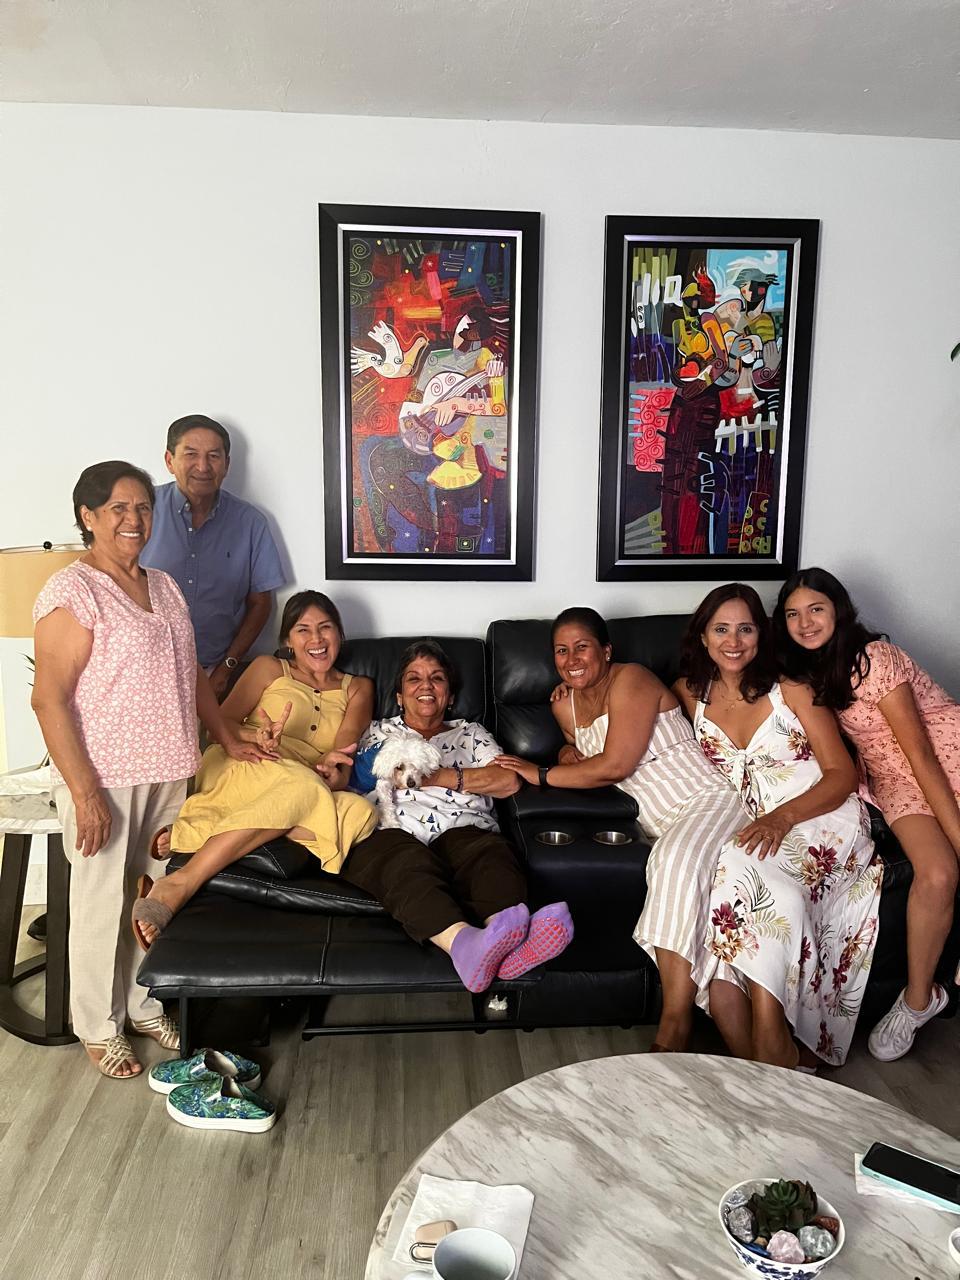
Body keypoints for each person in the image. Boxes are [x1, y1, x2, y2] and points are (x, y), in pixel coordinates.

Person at [31, 461, 267, 1079]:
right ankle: (96, 1025)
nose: (134, 520)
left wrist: (226, 738)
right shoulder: (71, 592)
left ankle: (140, 1005)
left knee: (149, 899)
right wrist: (84, 793)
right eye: (119, 509)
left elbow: (191, 676)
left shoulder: (164, 587)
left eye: (142, 508)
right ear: (88, 516)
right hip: (104, 776)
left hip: (169, 770)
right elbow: (48, 697)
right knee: (101, 900)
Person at [494, 607, 746, 1054]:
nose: (572, 658)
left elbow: (613, 765)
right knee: (687, 886)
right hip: (659, 820)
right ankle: (747, 1045)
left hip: (708, 801)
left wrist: (543, 772)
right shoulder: (562, 703)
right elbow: (584, 756)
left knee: (672, 864)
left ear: (606, 651)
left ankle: (674, 1025)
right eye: (561, 650)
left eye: (583, 647)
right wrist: (569, 756)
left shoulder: (631, 679)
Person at [674, 584, 882, 1067]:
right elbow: (635, 718)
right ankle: (773, 1070)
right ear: (702, 637)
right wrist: (573, 731)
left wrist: (783, 817)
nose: (733, 641)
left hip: (822, 815)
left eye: (745, 628)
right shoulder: (689, 693)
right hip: (759, 826)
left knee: (741, 862)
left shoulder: (792, 689)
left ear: (761, 635)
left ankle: (770, 1027)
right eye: (720, 629)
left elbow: (841, 774)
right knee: (727, 954)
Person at [775, 567, 960, 1061]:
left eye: (816, 609)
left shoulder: (873, 658)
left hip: (944, 755)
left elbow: (921, 751)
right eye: (793, 614)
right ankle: (922, 999)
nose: (806, 623)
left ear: (839, 610)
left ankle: (931, 987)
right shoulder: (801, 671)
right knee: (938, 874)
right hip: (892, 779)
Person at [133, 591, 378, 947]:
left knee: (362, 813)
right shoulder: (267, 668)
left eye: (325, 628)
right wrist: (257, 736)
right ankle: (180, 883)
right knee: (307, 792)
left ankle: (200, 831)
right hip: (246, 759)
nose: (316, 640)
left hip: (302, 778)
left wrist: (334, 773)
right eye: (303, 630)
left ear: (339, 634)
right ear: (287, 641)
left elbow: (341, 755)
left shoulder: (358, 687)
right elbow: (222, 721)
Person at [342, 641, 573, 993]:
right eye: (414, 679)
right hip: (391, 831)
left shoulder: (471, 733)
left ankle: (506, 942)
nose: (425, 686)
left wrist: (435, 776)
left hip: (462, 826)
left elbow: (507, 781)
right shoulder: (377, 732)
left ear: (449, 696)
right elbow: (348, 777)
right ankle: (465, 945)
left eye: (437, 678)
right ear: (400, 696)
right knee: (404, 861)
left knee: (488, 855)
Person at [140, 414, 286, 697]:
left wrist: (226, 668)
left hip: (213, 672)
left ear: (227, 464)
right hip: (146, 671)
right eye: (191, 454)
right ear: (169, 461)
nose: (203, 467)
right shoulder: (143, 511)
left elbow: (260, 603)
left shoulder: (250, 522)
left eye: (214, 456)